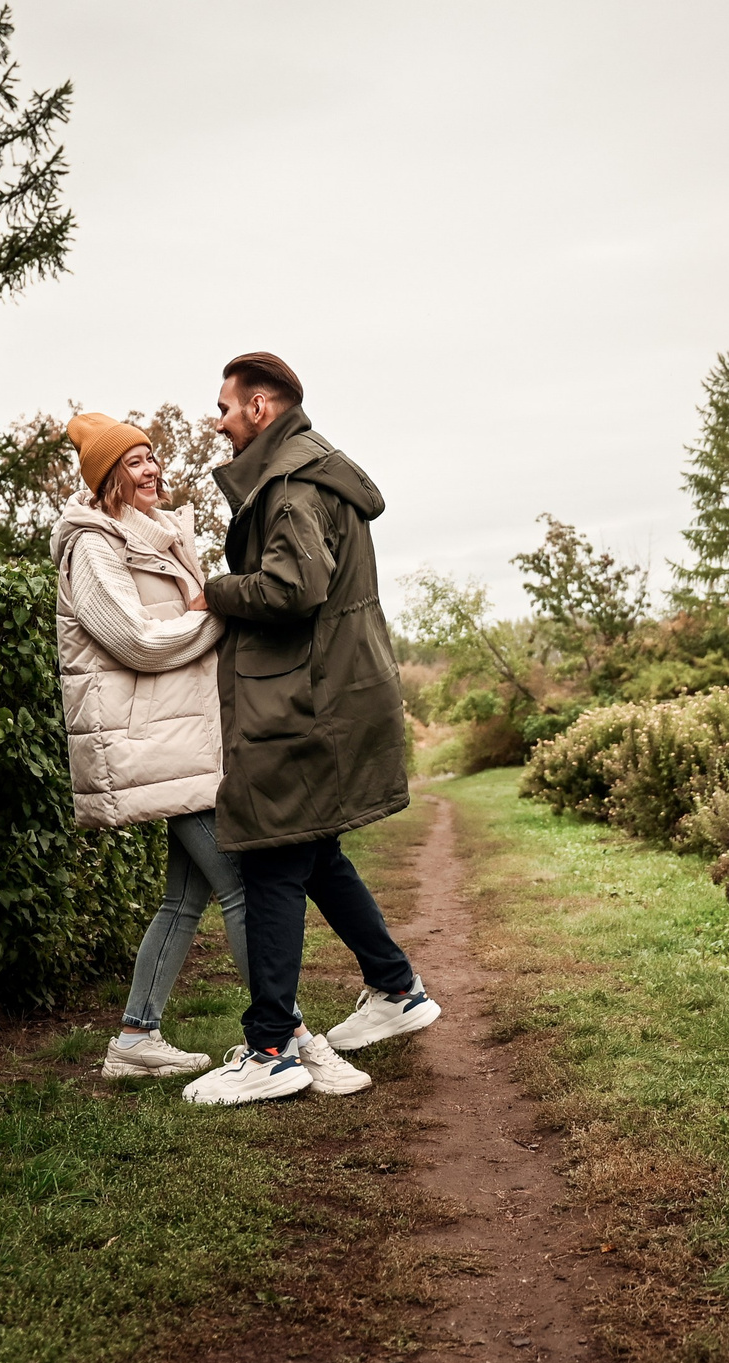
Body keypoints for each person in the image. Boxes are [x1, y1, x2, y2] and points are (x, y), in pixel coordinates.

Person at [51, 410, 370, 1094]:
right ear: (106, 477)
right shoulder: (93, 546)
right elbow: (136, 640)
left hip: (186, 738)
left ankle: (135, 1037)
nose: (152, 469)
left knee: (183, 898)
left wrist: (210, 606)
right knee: (244, 885)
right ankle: (288, 1041)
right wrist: (217, 609)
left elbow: (188, 617)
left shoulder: (157, 536)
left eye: (151, 456)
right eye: (135, 461)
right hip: (157, 741)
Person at [180, 353, 442, 1107]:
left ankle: (270, 1050)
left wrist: (215, 592)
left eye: (226, 407)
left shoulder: (290, 483)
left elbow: (295, 586)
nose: (218, 421)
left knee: (271, 856)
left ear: (261, 407)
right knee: (315, 851)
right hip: (327, 692)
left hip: (300, 701)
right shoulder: (311, 471)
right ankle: (395, 987)